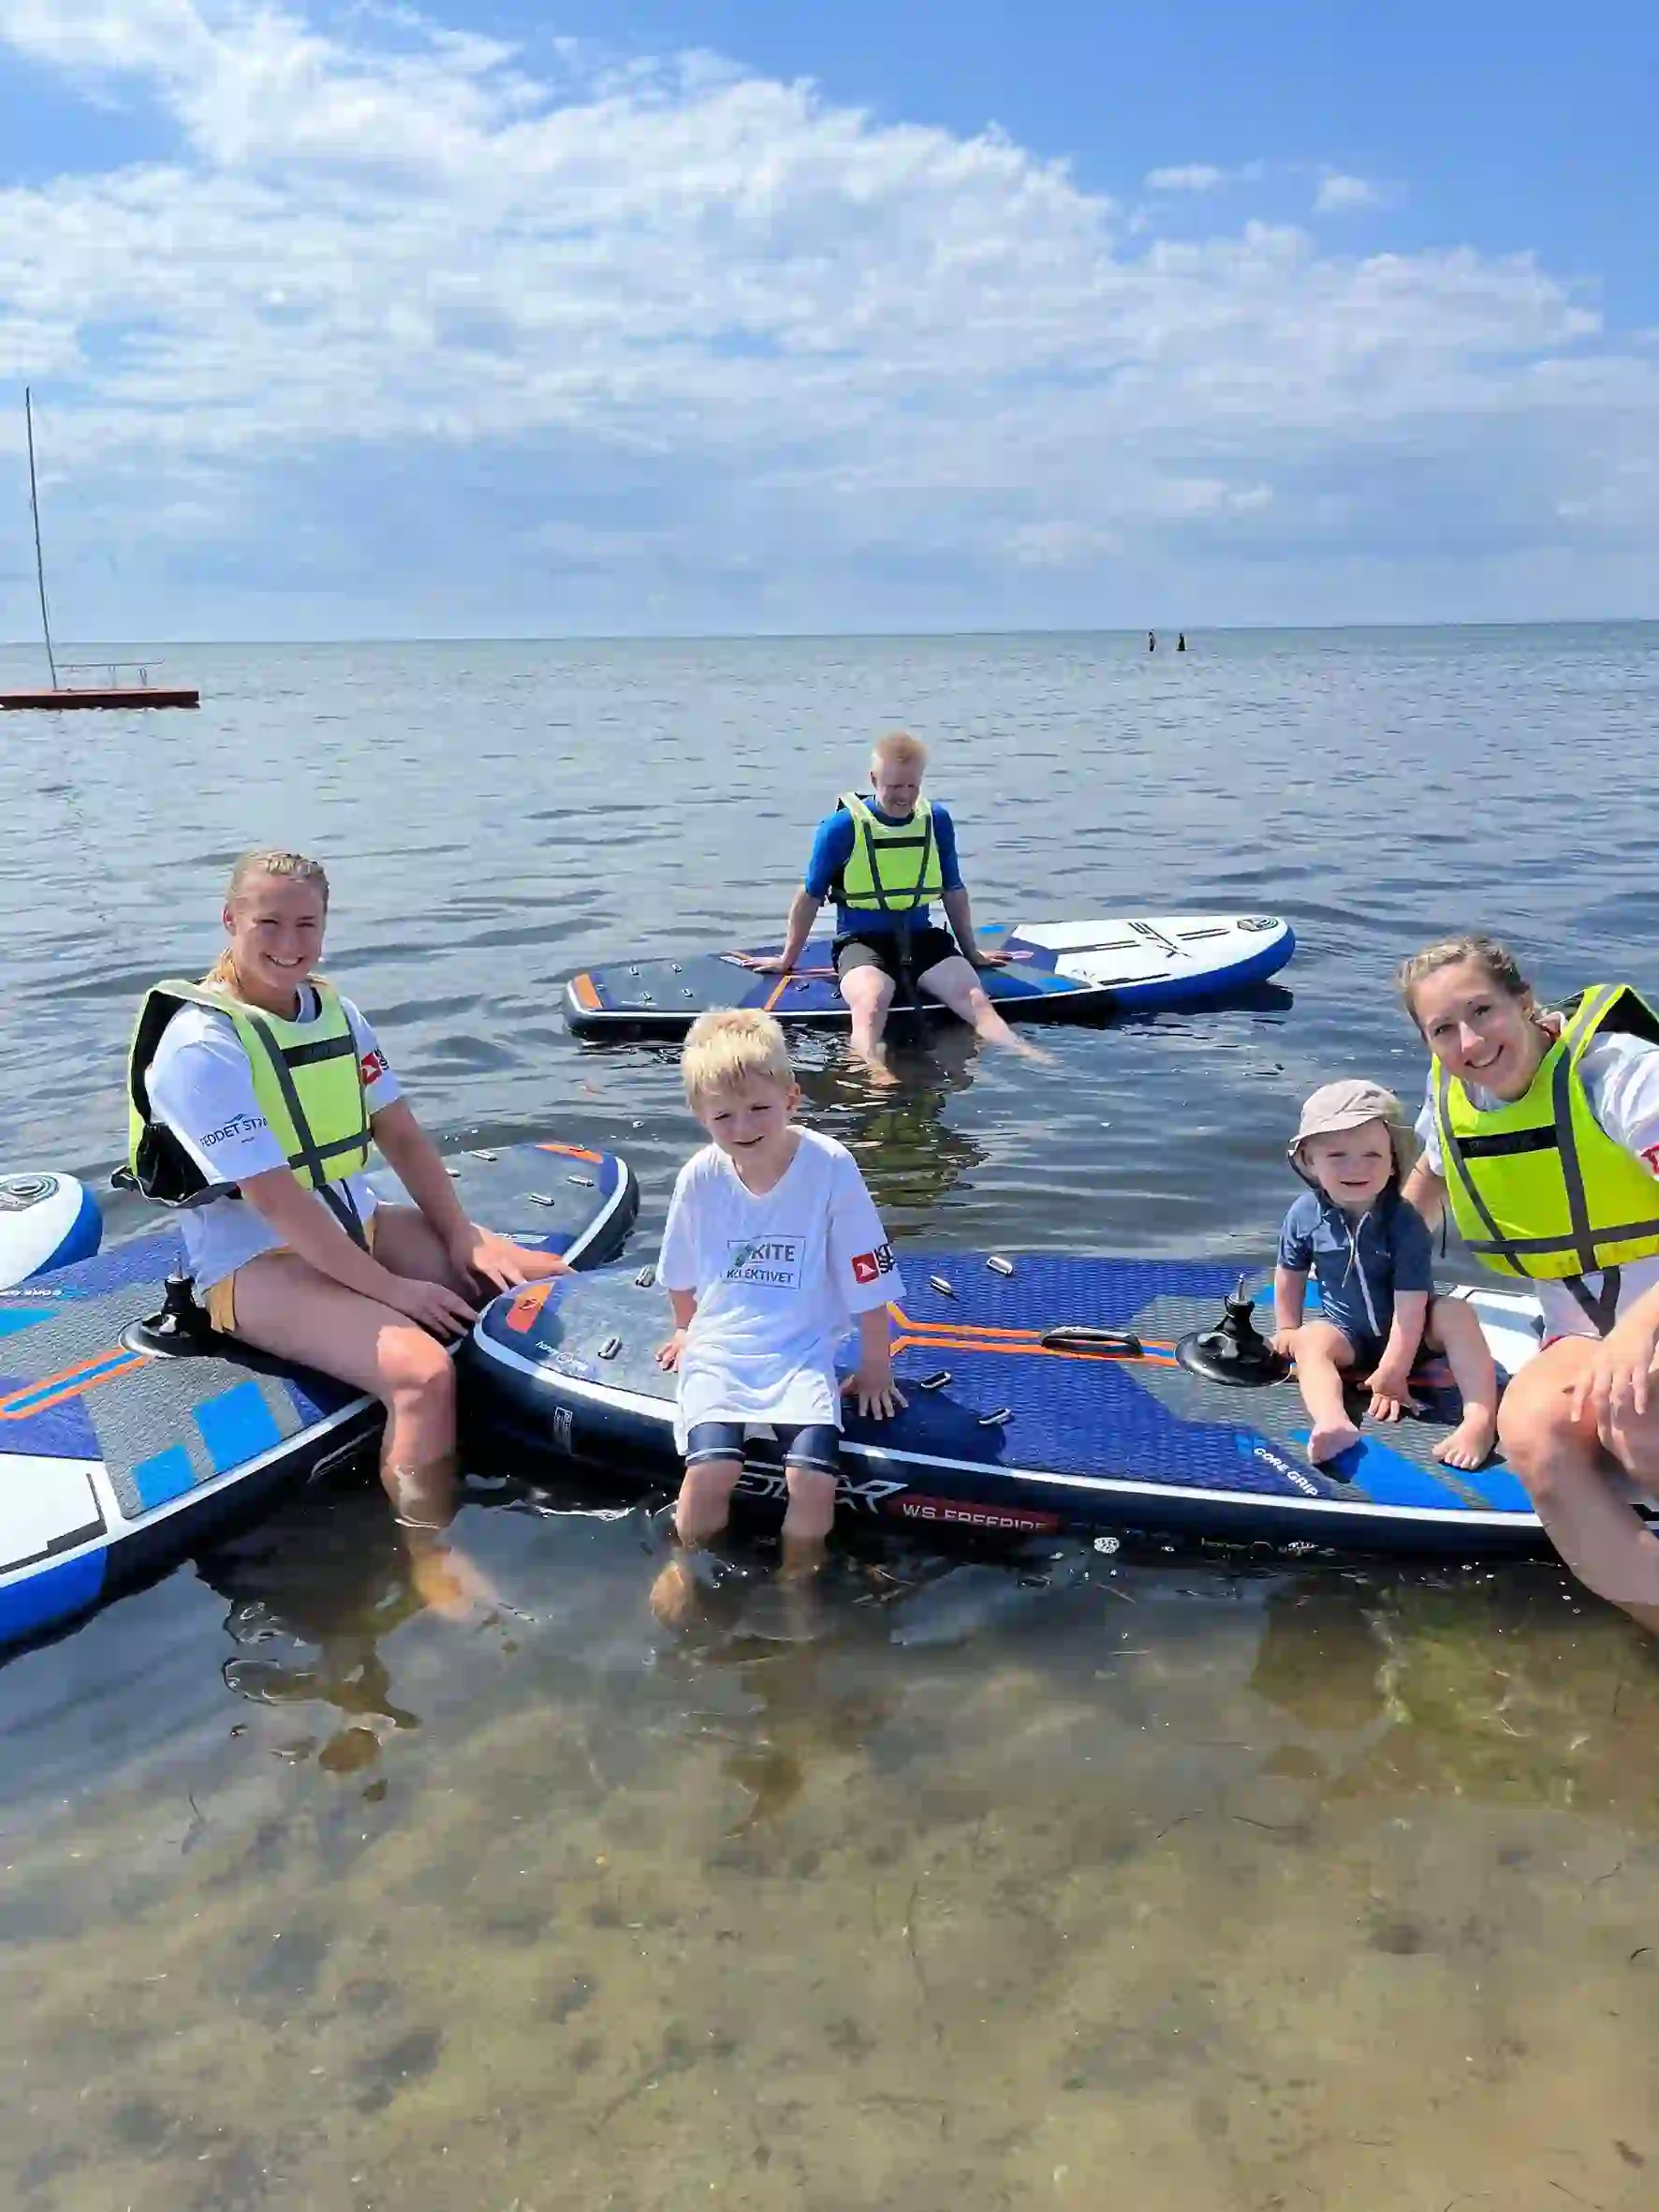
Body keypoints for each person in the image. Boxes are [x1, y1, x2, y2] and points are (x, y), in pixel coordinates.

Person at [126, 848, 567, 1613]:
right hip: (254, 1265)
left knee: (534, 1279)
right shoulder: (201, 1049)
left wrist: (463, 1237)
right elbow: (274, 1201)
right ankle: (427, 1553)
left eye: (308, 923)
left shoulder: (337, 1013)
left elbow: (399, 1134)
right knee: (423, 1376)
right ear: (230, 921)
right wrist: (396, 1291)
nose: (290, 943)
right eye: (268, 923)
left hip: (353, 1226)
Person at [1398, 935, 1659, 1635]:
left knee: (1633, 1412)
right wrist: (1381, 1285)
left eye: (1482, 1011)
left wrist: (1641, 1328)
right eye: (1443, 1029)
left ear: (1524, 1000)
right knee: (1530, 1431)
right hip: (1580, 1323)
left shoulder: (1621, 1076)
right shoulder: (1452, 1087)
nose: (1470, 1041)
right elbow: (1429, 1177)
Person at [651, 1010, 904, 1618]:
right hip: (722, 1348)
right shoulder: (699, 1177)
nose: (742, 1127)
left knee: (814, 1482)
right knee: (712, 1472)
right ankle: (683, 1563)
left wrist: (875, 1366)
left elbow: (868, 1273)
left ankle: (796, 1584)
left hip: (801, 1349)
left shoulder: (830, 1166)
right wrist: (686, 1329)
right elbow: (679, 1272)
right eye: (722, 1116)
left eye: (759, 1109)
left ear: (791, 1098)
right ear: (701, 1117)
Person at [740, 730, 1046, 1085]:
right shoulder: (841, 827)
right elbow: (808, 897)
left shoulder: (937, 820)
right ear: (874, 779)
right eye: (894, 787)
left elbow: (953, 889)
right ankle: (870, 1065)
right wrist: (787, 958)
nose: (904, 797)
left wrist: (971, 951)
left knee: (974, 999)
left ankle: (1023, 1052)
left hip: (923, 938)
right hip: (861, 942)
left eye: (912, 787)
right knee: (871, 1001)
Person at [1272, 1079, 1498, 1468]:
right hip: (1349, 1334)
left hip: (1418, 1333)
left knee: (1456, 1313)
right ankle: (1332, 1421)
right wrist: (1288, 1327)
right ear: (1309, 1161)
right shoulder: (1303, 1214)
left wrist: (1394, 1370)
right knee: (1311, 1340)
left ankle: (1480, 1418)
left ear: (1394, 1160)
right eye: (1337, 1155)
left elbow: (1412, 1310)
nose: (1356, 1167)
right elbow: (1289, 1272)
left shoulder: (1404, 1221)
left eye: (1372, 1155)